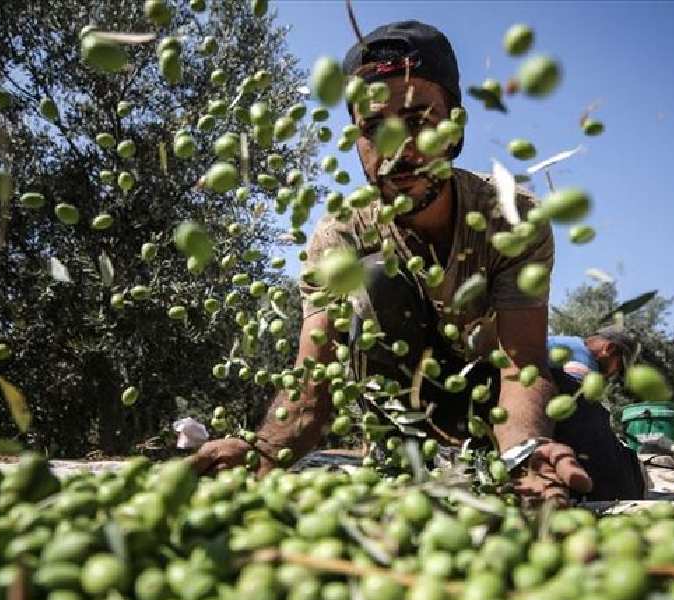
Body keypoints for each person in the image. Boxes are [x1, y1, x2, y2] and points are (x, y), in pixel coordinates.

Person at [193, 20, 637, 504]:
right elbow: (314, 383)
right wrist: (264, 450)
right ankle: (409, 452)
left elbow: (519, 363)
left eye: (420, 122)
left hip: (497, 391)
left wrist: (523, 449)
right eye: (374, 128)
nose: (397, 150)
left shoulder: (511, 220)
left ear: (455, 128)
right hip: (409, 403)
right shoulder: (339, 238)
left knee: (604, 480)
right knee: (375, 275)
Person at [547, 326, 648, 500]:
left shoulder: (568, 344)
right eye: (618, 368)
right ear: (609, 349)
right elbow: (580, 409)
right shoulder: (582, 360)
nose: (613, 375)